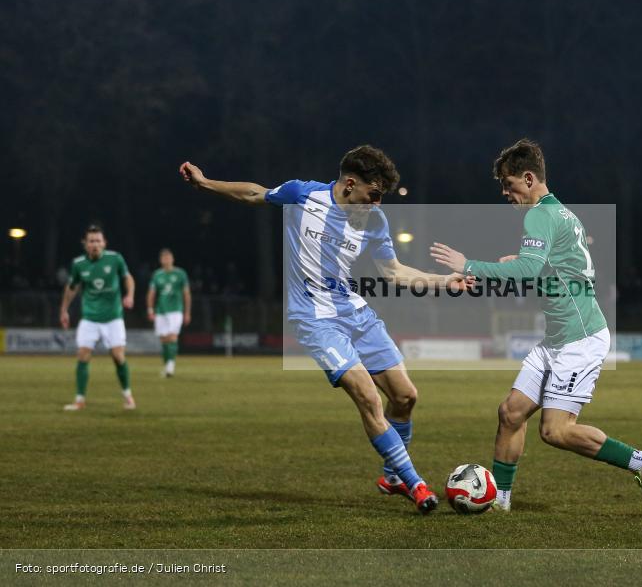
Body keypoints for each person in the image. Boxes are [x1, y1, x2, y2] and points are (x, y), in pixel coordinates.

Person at [179, 145, 466, 514]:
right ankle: (416, 485)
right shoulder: (304, 194)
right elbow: (254, 192)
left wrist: (445, 282)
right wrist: (205, 184)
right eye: (373, 194)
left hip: (356, 312)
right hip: (315, 320)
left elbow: (393, 273)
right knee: (368, 397)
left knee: (406, 396)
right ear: (349, 184)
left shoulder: (374, 221)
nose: (377, 203)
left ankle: (392, 477)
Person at [430, 139, 642, 517]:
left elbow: (530, 269)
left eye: (508, 185)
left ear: (528, 178)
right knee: (511, 412)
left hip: (579, 338)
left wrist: (469, 264)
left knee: (555, 431)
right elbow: (552, 267)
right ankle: (502, 502)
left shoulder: (539, 215)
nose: (505, 194)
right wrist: (526, 264)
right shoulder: (562, 213)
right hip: (557, 338)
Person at [59, 225, 136, 411]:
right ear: (85, 244)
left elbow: (128, 278)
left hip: (113, 318)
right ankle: (79, 400)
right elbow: (72, 287)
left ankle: (127, 395)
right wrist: (64, 310)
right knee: (83, 355)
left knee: (118, 356)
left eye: (98, 241)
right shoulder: (78, 264)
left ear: (104, 243)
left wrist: (130, 295)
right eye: (91, 241)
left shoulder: (115, 259)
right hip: (90, 318)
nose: (95, 244)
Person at [147, 248, 192, 377]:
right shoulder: (157, 275)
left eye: (168, 257)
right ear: (160, 260)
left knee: (172, 337)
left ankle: (171, 365)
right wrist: (150, 309)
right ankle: (167, 365)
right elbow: (151, 294)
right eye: (163, 258)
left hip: (176, 311)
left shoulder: (180, 274)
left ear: (172, 259)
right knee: (164, 339)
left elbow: (187, 294)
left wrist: (187, 312)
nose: (166, 260)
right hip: (161, 311)